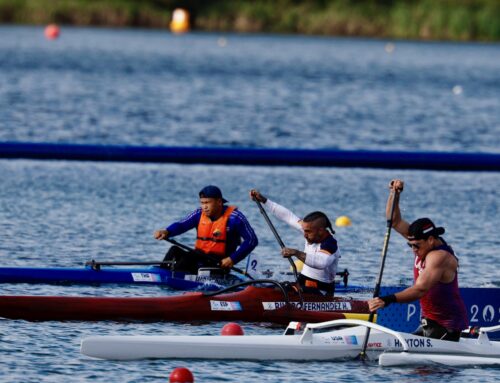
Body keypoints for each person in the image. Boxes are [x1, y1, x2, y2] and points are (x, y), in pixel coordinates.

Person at [368, 179, 468, 341]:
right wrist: (394, 194)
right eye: (410, 245)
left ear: (430, 239)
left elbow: (420, 289)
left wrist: (388, 299)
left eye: (416, 246)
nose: (413, 250)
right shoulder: (422, 243)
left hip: (447, 327)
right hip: (429, 324)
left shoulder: (439, 257)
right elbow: (394, 222)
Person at [250, 189, 340, 296]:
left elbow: (321, 262)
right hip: (303, 285)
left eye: (307, 232)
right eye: (304, 230)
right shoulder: (311, 230)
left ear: (320, 230)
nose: (304, 234)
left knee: (278, 291)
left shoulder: (330, 244)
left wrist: (296, 253)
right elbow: (288, 216)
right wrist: (264, 201)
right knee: (267, 289)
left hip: (322, 292)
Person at [154, 185, 258, 274]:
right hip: (198, 257)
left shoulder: (235, 218)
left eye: (207, 202)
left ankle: (175, 279)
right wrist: (167, 231)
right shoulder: (199, 214)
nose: (204, 207)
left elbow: (252, 240)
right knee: (174, 250)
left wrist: (232, 259)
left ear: (219, 202)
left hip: (218, 264)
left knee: (187, 259)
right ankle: (161, 275)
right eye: (202, 203)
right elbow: (182, 225)